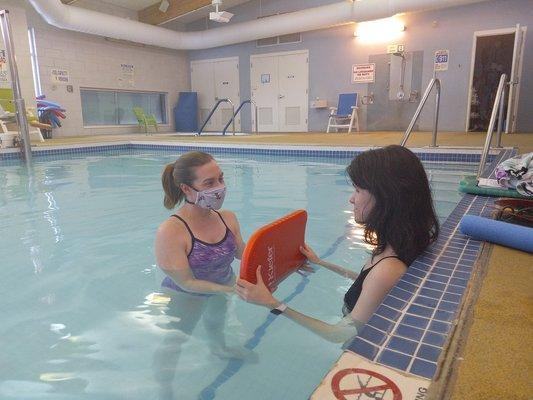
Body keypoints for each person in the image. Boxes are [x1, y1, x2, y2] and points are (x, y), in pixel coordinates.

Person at [236, 145, 439, 343]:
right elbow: (365, 283)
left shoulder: (388, 269)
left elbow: (339, 335)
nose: (352, 199)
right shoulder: (395, 246)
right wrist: (320, 263)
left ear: (385, 197)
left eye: (358, 190)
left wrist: (272, 303)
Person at [152, 151, 246, 398]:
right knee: (174, 343)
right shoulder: (171, 231)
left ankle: (219, 348)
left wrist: (279, 261)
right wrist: (233, 290)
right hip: (185, 296)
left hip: (224, 283)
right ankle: (164, 388)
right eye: (209, 183)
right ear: (186, 188)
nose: (220, 188)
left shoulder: (228, 218)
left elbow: (242, 254)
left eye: (221, 179)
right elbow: (187, 282)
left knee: (216, 323)